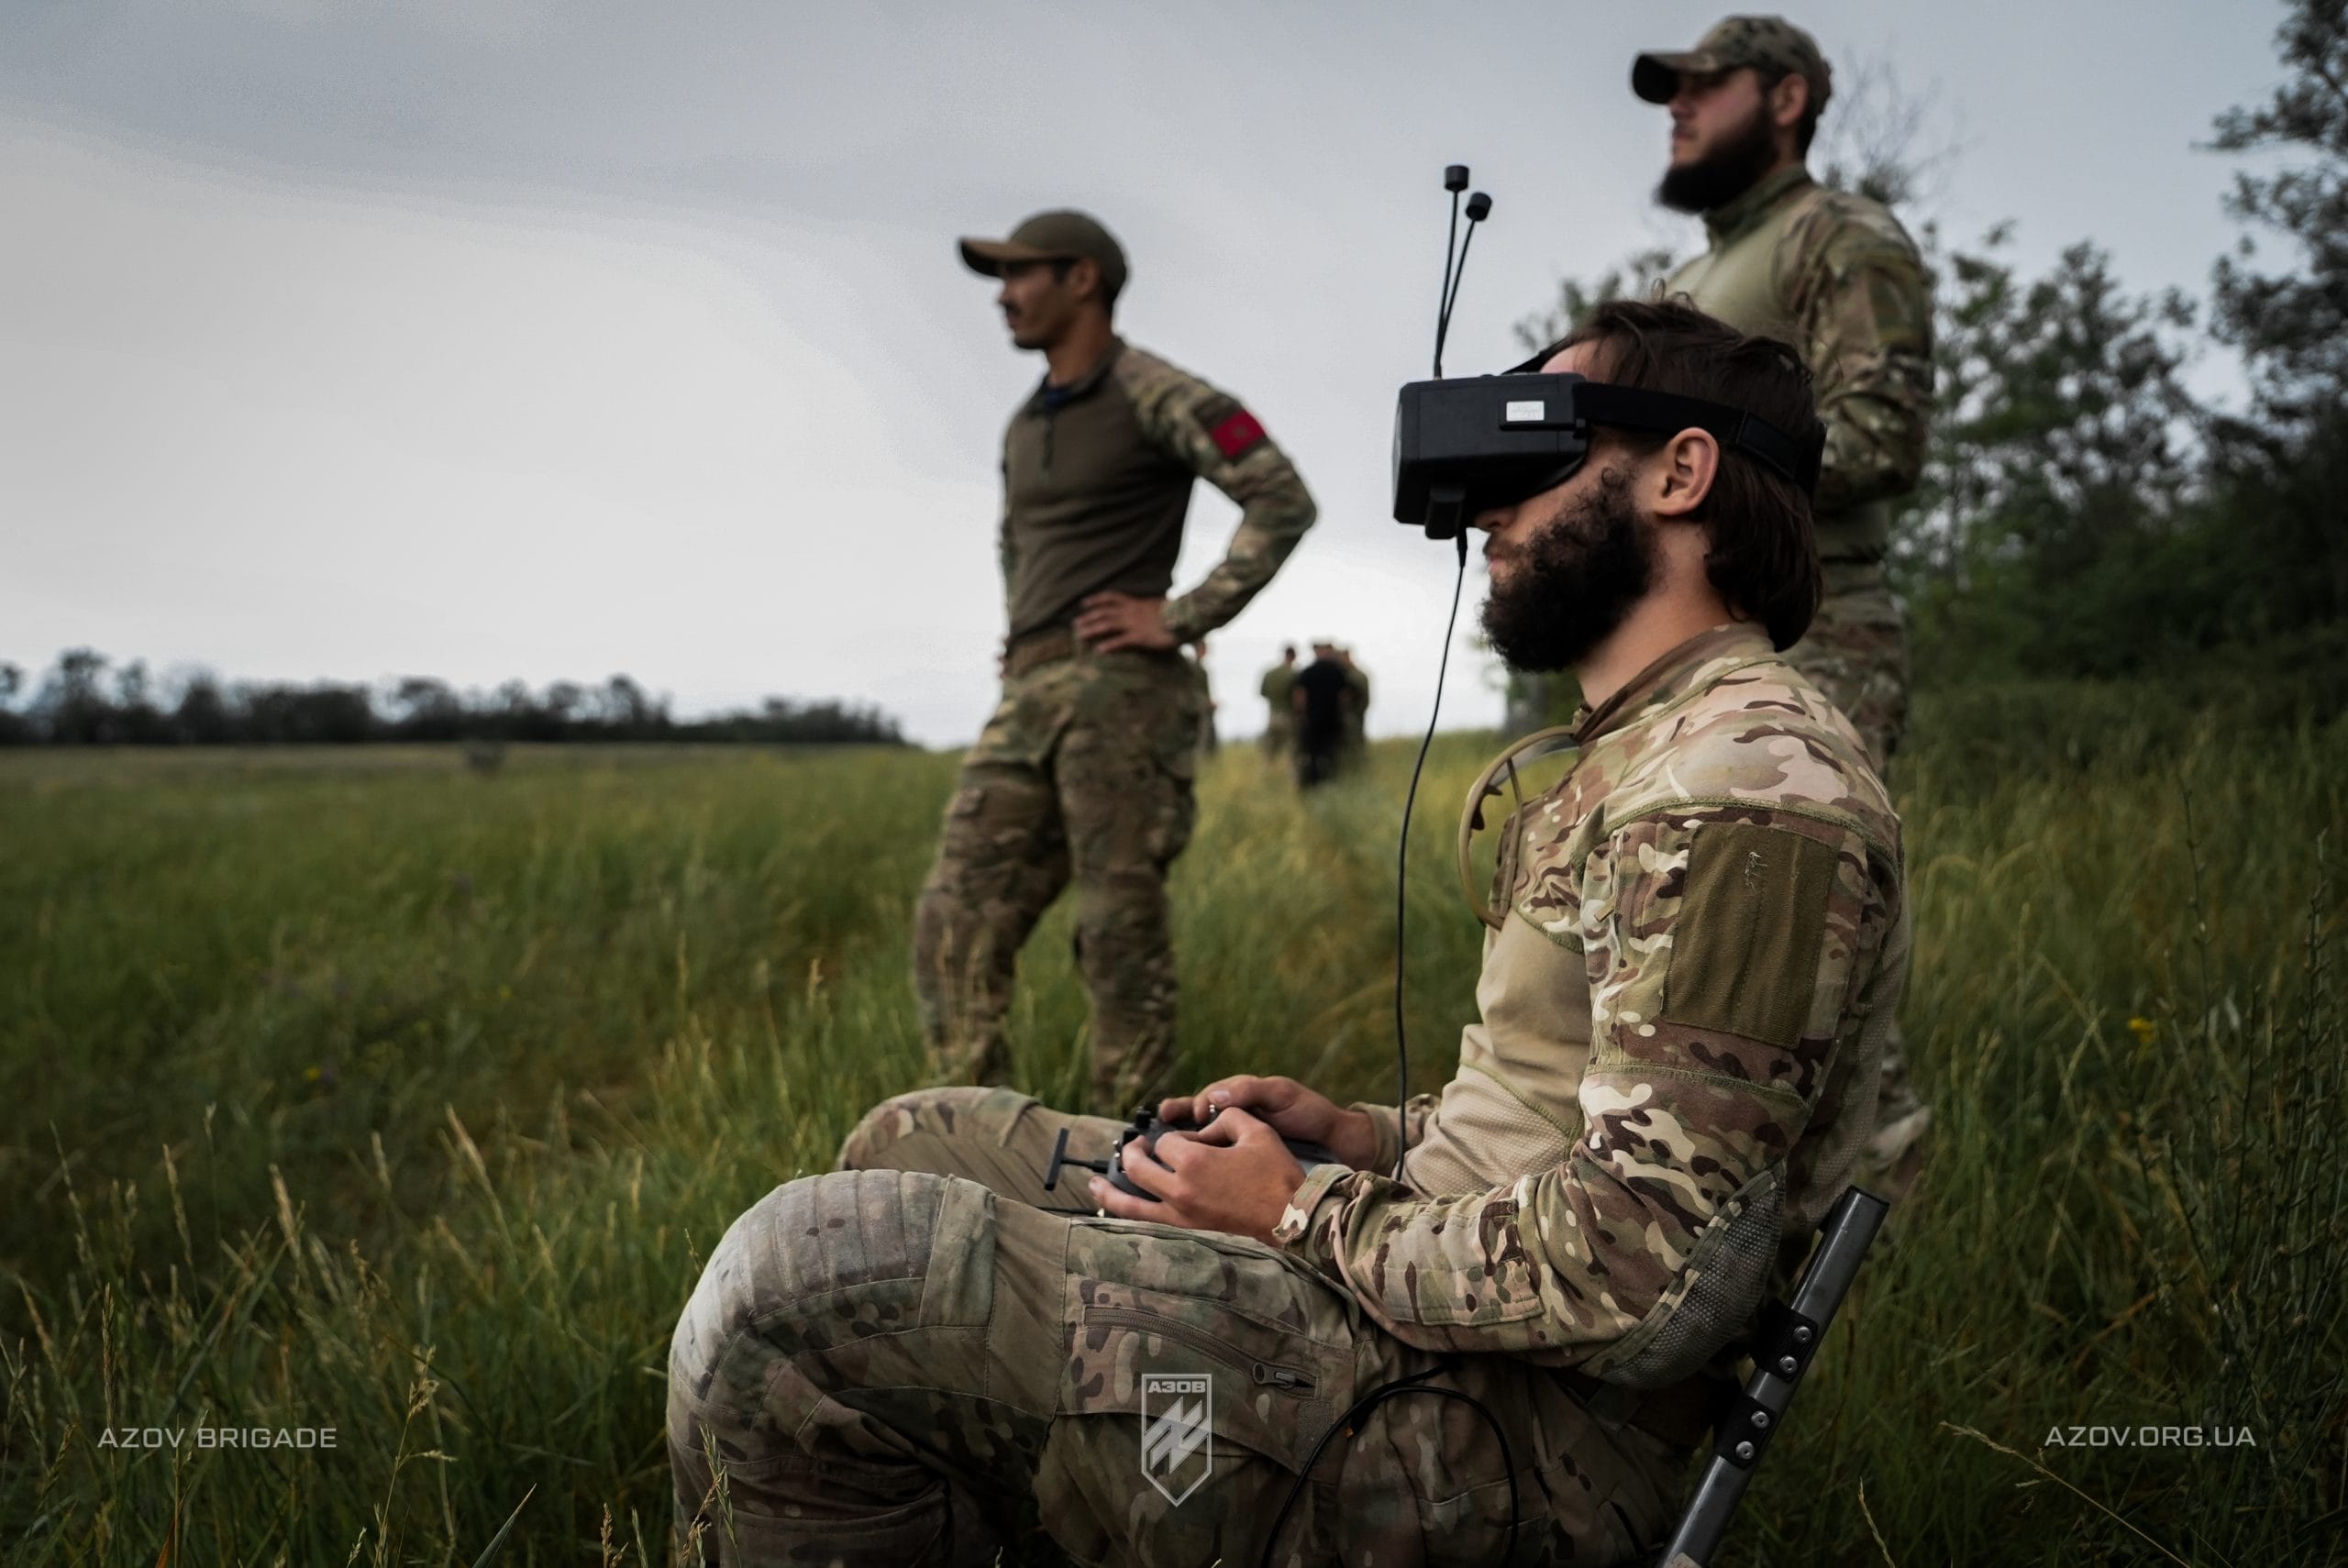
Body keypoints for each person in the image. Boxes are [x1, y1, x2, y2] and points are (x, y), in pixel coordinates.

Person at [669, 299, 1909, 1567]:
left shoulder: (1745, 786)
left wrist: (1298, 1209)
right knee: (913, 1139)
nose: (1486, 510)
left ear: (1681, 471)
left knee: (801, 1293)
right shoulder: (1650, 746)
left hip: (1504, 1445)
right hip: (1434, 1316)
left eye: (1533, 454)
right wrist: (1367, 1136)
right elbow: (1558, 1116)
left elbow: (1642, 1274)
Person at [912, 211, 1317, 1108]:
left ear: (1081, 278)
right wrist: (1023, 634)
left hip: (1125, 697)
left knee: (1117, 936)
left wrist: (1179, 615)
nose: (1002, 296)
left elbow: (1281, 497)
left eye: (1019, 274)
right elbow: (1014, 542)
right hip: (1031, 691)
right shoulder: (1024, 423)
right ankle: (982, 1139)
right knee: (952, 924)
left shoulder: (1150, 390)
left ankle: (1122, 1167)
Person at [1636, 14, 1934, 1190]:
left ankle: (1874, 1232)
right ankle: (1734, 1224)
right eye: (1674, 91)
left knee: (1823, 945)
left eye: (1707, 86)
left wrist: (1711, 457)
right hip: (1698, 633)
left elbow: (1882, 434)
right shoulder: (1691, 279)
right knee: (1719, 944)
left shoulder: (1840, 235)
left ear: (1788, 98)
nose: (1679, 105)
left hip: (1825, 625)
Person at [1290, 638, 1349, 789]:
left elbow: (1300, 696)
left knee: (1312, 754)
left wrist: (1301, 714)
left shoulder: (1308, 672)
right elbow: (1344, 697)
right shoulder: (1338, 671)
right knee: (1330, 753)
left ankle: (1313, 782)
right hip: (1331, 719)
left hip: (1313, 720)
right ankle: (1328, 781)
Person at [1257, 643, 1299, 761]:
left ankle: (1269, 773)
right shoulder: (1294, 674)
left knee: (1270, 751)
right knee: (1291, 749)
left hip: (1273, 715)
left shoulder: (1270, 673)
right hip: (1289, 716)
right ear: (1294, 656)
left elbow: (1263, 693)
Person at [1337, 646, 1370, 773]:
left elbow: (1361, 699)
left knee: (1354, 746)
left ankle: (1358, 770)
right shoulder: (1356, 674)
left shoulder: (1353, 676)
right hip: (1354, 716)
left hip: (1352, 716)